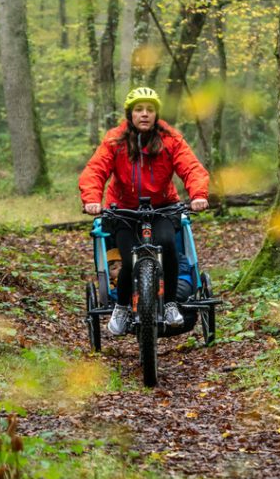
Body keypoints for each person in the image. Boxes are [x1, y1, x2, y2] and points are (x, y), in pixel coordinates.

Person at [79, 87, 210, 334]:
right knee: (129, 258)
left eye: (150, 110)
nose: (144, 114)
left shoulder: (170, 138)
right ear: (130, 114)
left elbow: (191, 168)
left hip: (162, 207)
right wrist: (92, 199)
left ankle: (170, 303)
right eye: (139, 109)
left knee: (168, 245)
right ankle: (121, 307)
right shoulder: (115, 140)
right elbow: (95, 170)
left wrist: (198, 195)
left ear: (156, 114)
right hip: (123, 210)